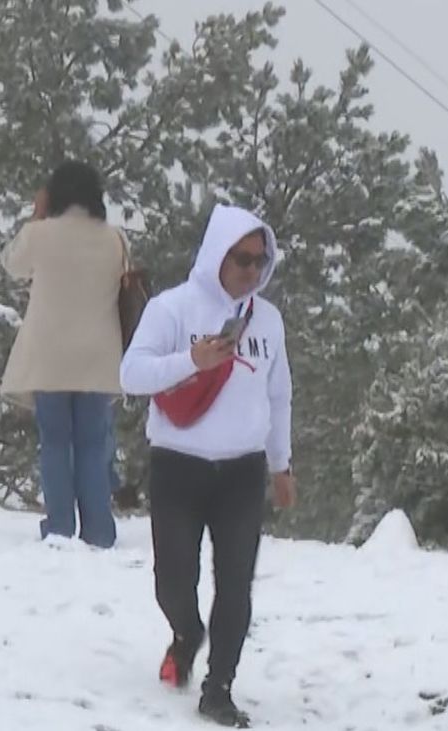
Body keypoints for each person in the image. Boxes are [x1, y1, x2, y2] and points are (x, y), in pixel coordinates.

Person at [119, 203, 295, 728]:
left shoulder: (267, 320)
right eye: (240, 259)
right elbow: (132, 374)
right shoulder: (174, 308)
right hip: (178, 464)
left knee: (236, 581)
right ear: (216, 254)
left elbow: (279, 393)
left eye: (260, 262)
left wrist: (281, 464)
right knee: (173, 579)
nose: (250, 272)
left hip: (242, 469)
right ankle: (185, 631)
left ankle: (219, 687)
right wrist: (190, 362)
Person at [0, 161, 126, 549]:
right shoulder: (115, 238)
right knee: (92, 441)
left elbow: (12, 265)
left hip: (51, 354)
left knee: (55, 441)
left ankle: (59, 526)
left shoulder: (42, 234)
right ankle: (99, 529)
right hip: (99, 355)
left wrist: (36, 216)